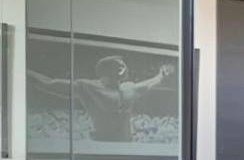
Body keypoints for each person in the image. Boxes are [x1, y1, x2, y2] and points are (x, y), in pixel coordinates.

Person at [28, 55, 174, 142]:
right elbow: (49, 83)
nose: (124, 69)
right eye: (119, 66)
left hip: (126, 146)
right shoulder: (88, 87)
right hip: (102, 146)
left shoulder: (129, 88)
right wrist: (24, 71)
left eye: (123, 66)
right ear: (107, 70)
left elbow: (156, 80)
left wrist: (164, 71)